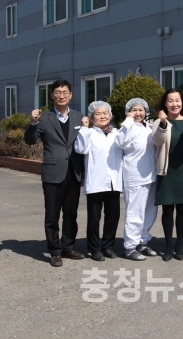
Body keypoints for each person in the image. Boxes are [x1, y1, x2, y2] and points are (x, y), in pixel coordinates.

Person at [24, 79, 85, 267]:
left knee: (71, 213)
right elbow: (30, 140)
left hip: (74, 171)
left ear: (71, 95)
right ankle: (55, 251)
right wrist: (33, 123)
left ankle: (68, 247)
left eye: (65, 92)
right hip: (53, 172)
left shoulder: (79, 117)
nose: (61, 95)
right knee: (52, 215)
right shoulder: (43, 118)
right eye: (57, 92)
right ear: (52, 95)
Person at [152, 89, 183, 262]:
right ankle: (168, 245)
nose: (174, 104)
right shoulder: (159, 122)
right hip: (166, 170)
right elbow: (157, 140)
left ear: (182, 102)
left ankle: (180, 244)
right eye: (170, 101)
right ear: (165, 104)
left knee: (182, 209)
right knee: (167, 209)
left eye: (177, 100)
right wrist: (164, 122)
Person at [74, 101, 123, 262]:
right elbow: (80, 149)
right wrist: (84, 129)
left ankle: (108, 246)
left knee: (112, 216)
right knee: (94, 219)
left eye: (105, 113)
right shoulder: (89, 133)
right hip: (96, 182)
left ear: (110, 115)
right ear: (91, 117)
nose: (102, 116)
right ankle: (94, 248)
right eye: (98, 113)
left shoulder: (117, 133)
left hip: (114, 181)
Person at [115, 98, 158, 261]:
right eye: (134, 110)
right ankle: (130, 247)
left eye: (141, 110)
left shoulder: (149, 127)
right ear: (128, 112)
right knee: (135, 213)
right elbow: (121, 142)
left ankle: (143, 241)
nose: (138, 113)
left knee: (150, 212)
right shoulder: (127, 128)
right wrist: (128, 121)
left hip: (151, 175)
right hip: (135, 176)